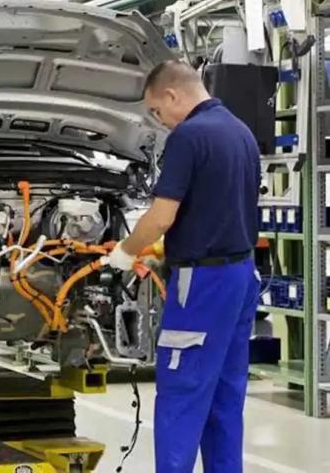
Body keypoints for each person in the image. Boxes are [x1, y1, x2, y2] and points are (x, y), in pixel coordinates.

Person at [107, 61, 261, 472]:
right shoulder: (240, 132)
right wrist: (165, 251)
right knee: (225, 396)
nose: (160, 121)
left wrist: (126, 251)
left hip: (202, 283)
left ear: (173, 95)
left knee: (182, 393)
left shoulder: (188, 136)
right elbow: (218, 210)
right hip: (241, 276)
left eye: (157, 111)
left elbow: (160, 217)